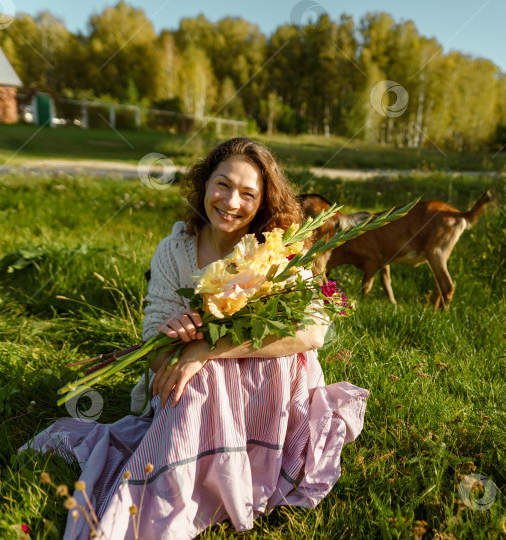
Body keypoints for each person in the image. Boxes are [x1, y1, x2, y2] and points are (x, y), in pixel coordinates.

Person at [20, 138, 369, 539]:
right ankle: (173, 491)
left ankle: (234, 472)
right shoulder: (174, 251)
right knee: (192, 380)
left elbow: (312, 330)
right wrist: (172, 350)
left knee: (214, 369)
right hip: (194, 382)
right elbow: (153, 333)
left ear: (264, 202)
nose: (231, 201)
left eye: (248, 194)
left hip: (264, 376)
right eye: (222, 184)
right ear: (204, 183)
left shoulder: (276, 249)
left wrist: (206, 349)